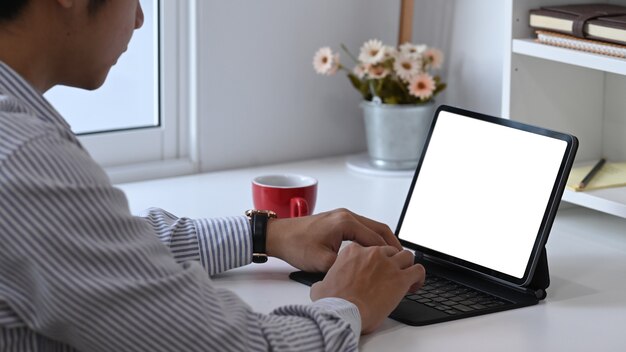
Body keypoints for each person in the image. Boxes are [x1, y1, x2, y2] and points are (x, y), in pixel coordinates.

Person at [0, 0, 426, 351]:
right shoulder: (24, 158)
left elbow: (95, 242)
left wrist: (265, 235)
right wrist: (348, 302)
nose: (140, 18)